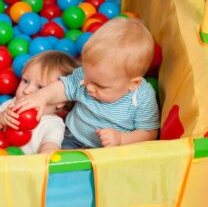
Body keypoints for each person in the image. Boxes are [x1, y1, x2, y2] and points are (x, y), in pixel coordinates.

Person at [14, 18, 160, 149]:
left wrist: (122, 139)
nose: (88, 87)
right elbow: (63, 88)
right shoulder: (85, 76)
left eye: (100, 86)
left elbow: (149, 132)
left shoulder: (142, 97)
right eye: (87, 78)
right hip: (72, 138)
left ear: (133, 84)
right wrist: (42, 96)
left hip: (113, 151)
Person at [0, 51, 79, 154]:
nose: (26, 91)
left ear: (60, 101)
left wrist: (44, 157)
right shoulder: (12, 105)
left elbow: (50, 149)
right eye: (25, 81)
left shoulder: (53, 124)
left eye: (40, 87)